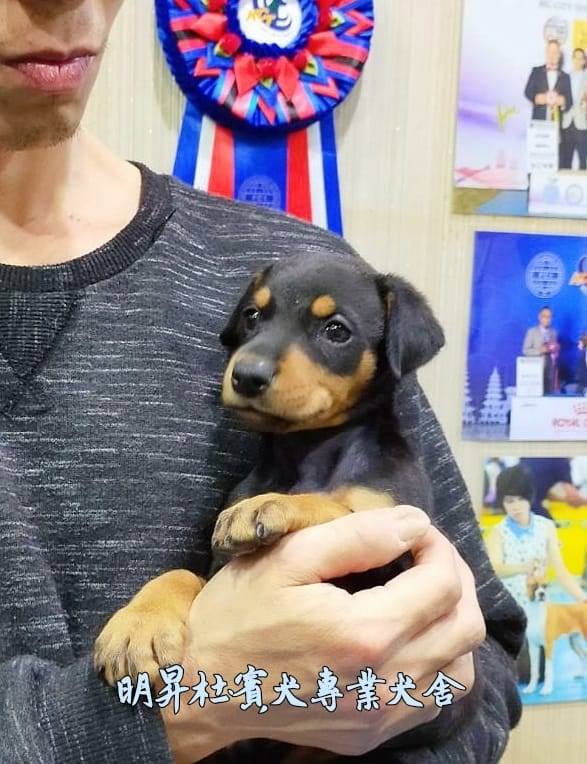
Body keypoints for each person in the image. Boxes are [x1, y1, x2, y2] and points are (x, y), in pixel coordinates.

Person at [0, 2, 524, 763]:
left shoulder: (308, 270)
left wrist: (396, 702)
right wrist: (177, 709)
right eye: (253, 324)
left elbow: (488, 660)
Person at [486, 464, 586, 608]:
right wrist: (521, 568)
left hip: (539, 605)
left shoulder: (546, 526)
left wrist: (583, 599)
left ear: (529, 498)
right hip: (510, 608)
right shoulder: (498, 532)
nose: (516, 506)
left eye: (521, 499)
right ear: (502, 502)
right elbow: (494, 569)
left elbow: (561, 572)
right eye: (510, 501)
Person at [524, 39, 573, 124]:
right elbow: (527, 91)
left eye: (555, 52)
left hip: (557, 123)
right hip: (538, 121)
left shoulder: (565, 77)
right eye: (549, 52)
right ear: (546, 53)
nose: (552, 55)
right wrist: (536, 98)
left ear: (559, 55)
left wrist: (563, 102)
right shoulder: (536, 71)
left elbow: (569, 101)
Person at [522, 306, 560, 394]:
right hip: (534, 371)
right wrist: (540, 351)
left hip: (550, 370)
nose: (547, 319)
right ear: (539, 317)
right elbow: (525, 350)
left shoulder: (554, 332)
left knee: (548, 393)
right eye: (544, 316)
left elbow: (554, 351)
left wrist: (556, 351)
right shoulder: (532, 332)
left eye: (549, 317)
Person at [560, 48, 587, 169]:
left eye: (581, 58)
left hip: (582, 123)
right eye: (576, 57)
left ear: (584, 61)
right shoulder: (564, 77)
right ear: (572, 59)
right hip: (566, 122)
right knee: (565, 159)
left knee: (583, 160)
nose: (578, 60)